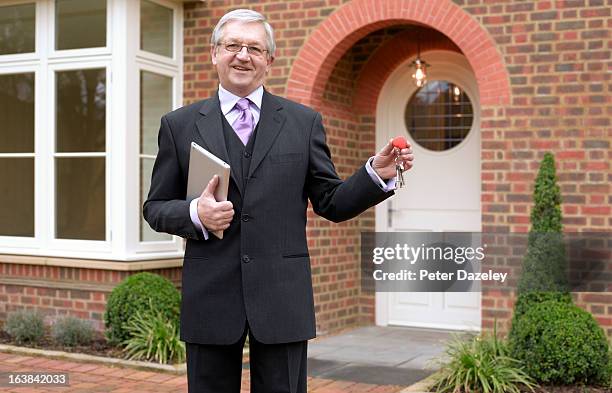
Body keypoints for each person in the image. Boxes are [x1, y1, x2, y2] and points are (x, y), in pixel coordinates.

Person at [143, 9, 413, 393]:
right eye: (233, 45)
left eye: (254, 48)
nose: (242, 55)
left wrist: (376, 174)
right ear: (214, 53)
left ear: (269, 60)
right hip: (210, 296)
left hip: (282, 298)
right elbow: (154, 207)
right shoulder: (179, 125)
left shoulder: (303, 123)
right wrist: (194, 213)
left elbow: (331, 202)